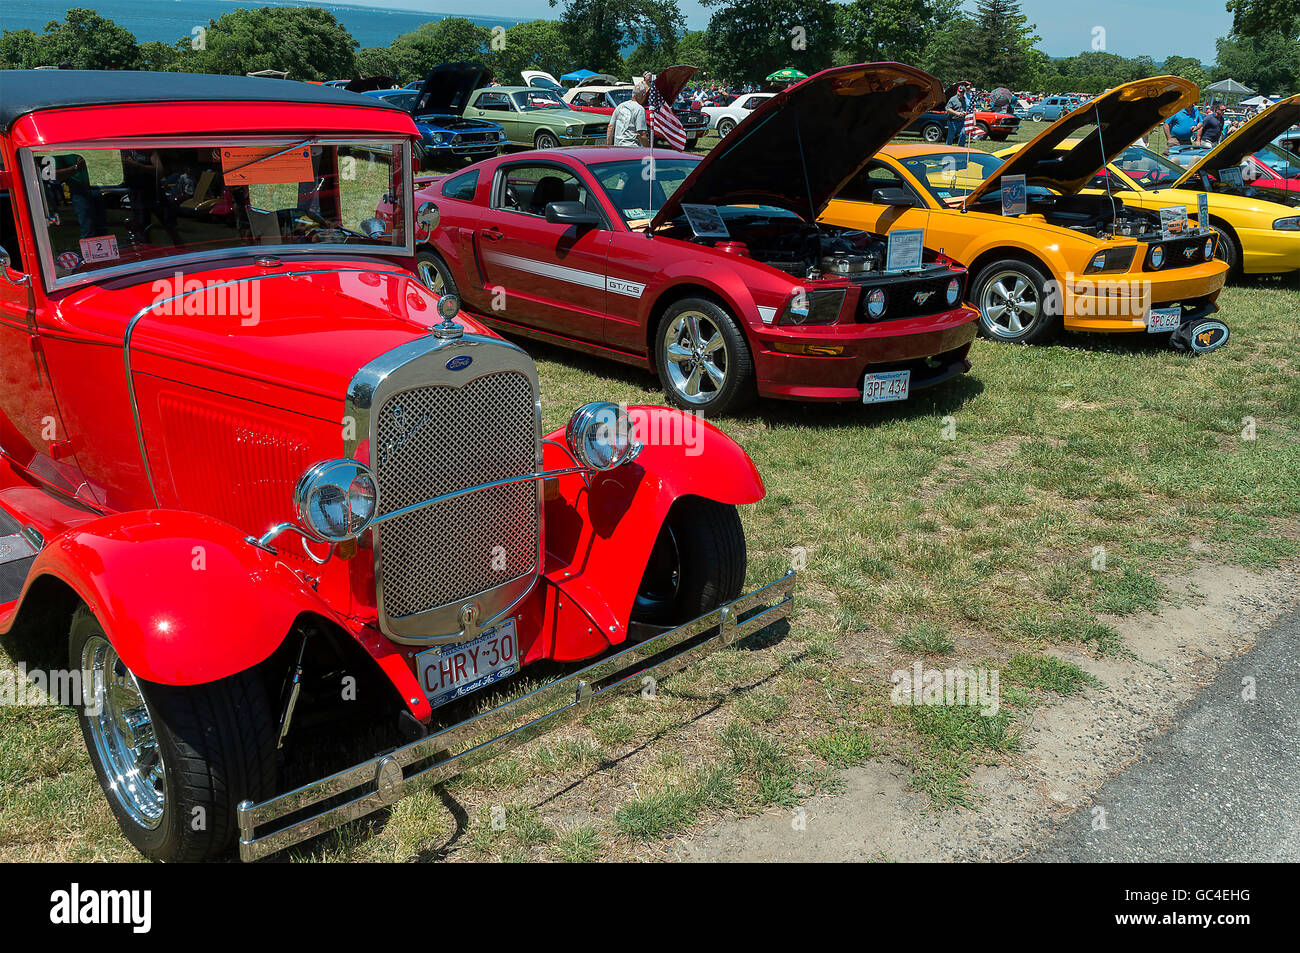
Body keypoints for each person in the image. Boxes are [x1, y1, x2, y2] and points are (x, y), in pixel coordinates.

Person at [606, 79, 650, 147]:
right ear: (643, 95)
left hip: (617, 147)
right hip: (632, 148)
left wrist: (609, 146)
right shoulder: (640, 109)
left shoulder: (620, 106)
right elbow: (641, 134)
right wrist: (648, 149)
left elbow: (610, 127)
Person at [945, 81, 971, 146]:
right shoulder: (953, 99)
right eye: (959, 92)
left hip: (961, 121)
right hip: (952, 121)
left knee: (963, 133)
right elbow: (947, 109)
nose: (960, 93)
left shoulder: (965, 100)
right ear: (957, 91)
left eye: (962, 92)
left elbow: (964, 109)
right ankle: (947, 149)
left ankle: (960, 148)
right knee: (950, 137)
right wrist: (956, 113)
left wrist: (965, 112)